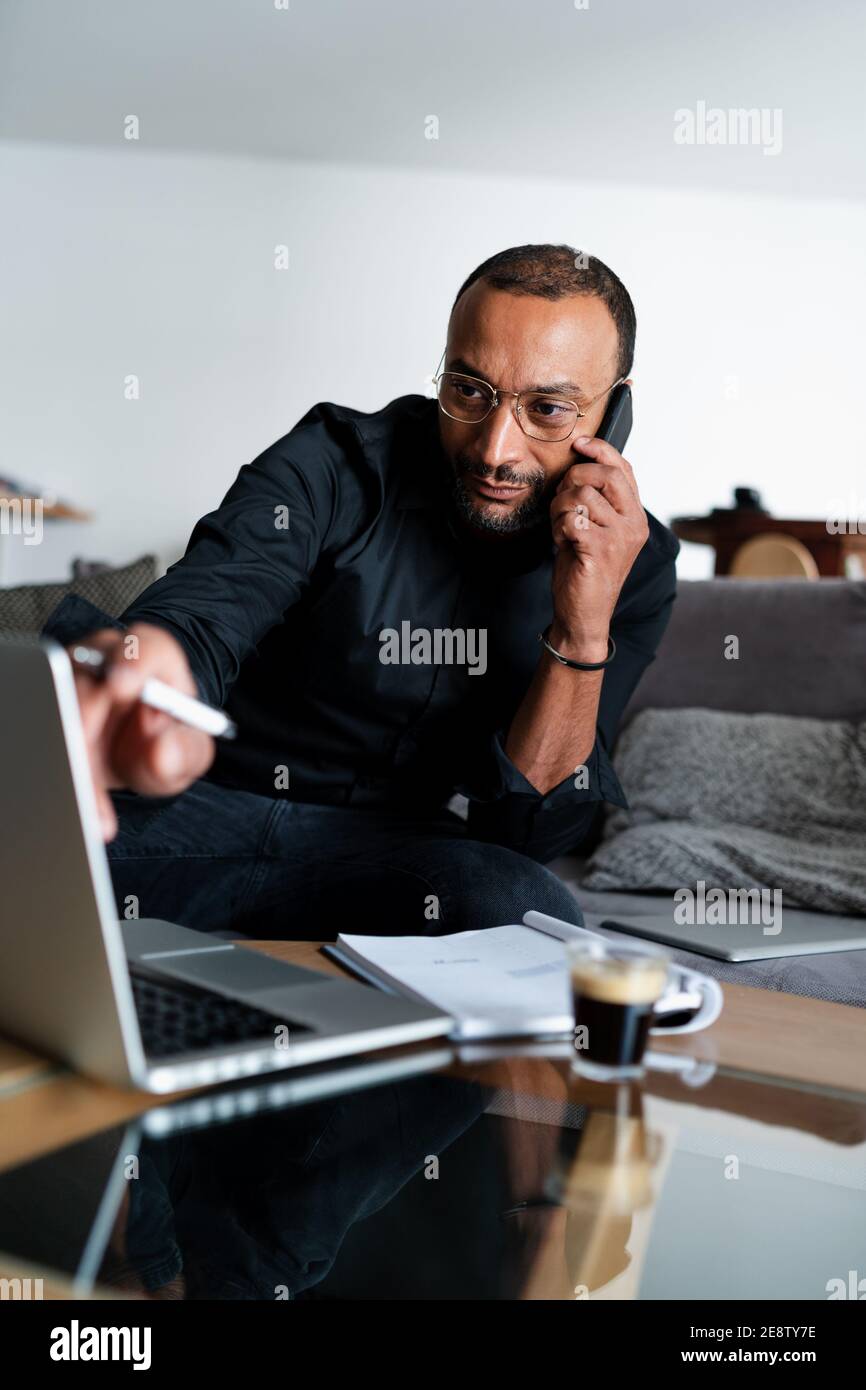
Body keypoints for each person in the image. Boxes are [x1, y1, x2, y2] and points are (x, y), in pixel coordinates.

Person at [45, 244, 679, 940]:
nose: (496, 447)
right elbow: (210, 604)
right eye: (468, 390)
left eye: (549, 409)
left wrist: (582, 628)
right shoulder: (335, 462)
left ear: (614, 415)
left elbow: (527, 831)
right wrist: (154, 660)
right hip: (187, 808)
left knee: (525, 912)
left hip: (386, 854)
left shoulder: (636, 567)